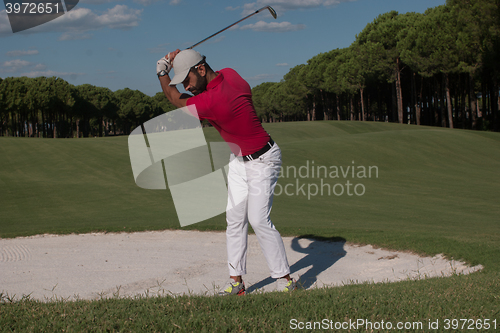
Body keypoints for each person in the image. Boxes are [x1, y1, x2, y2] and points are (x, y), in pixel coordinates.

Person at [156, 49, 297, 295]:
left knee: (258, 219)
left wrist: (161, 72)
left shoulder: (210, 102)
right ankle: (236, 282)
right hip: (239, 160)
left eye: (187, 80)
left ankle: (285, 281)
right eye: (184, 83)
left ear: (200, 70)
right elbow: (211, 79)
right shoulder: (232, 75)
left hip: (263, 159)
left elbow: (173, 97)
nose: (187, 87)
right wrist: (182, 59)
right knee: (234, 220)